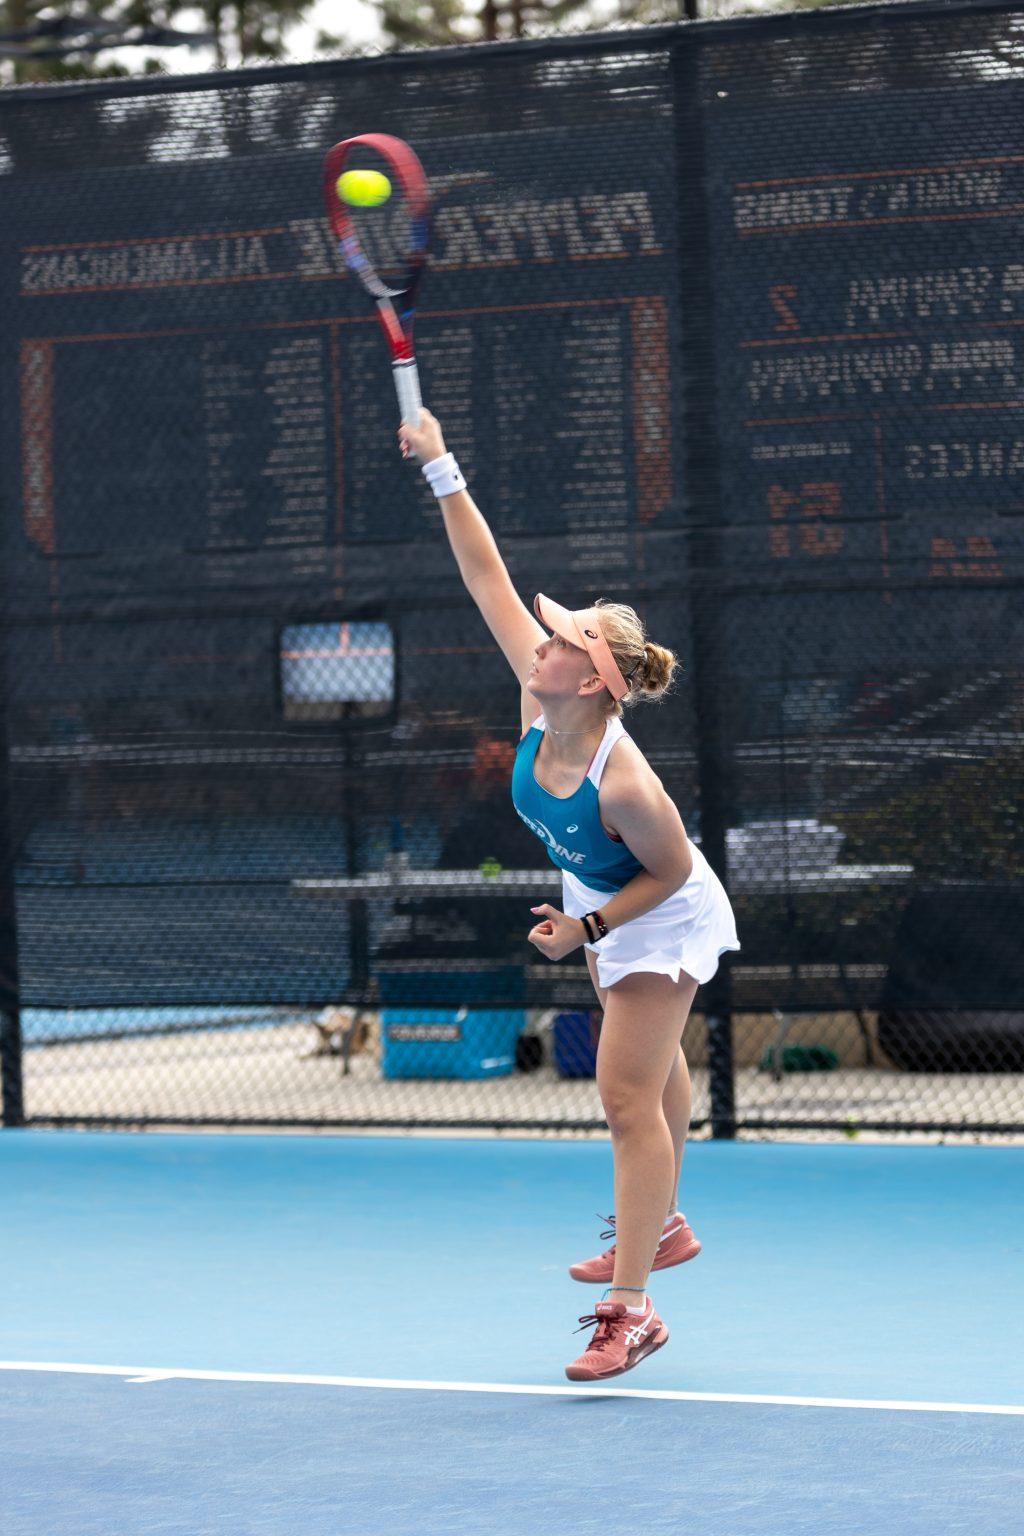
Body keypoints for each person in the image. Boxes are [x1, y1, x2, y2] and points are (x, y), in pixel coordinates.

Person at [399, 408, 741, 1383]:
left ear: (590, 683)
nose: (537, 641)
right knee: (652, 1064)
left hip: (658, 905)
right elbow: (484, 576)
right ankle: (660, 1219)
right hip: (593, 890)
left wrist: (589, 926)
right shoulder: (536, 702)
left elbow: (671, 873)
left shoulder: (626, 784)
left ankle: (630, 1311)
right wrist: (440, 465)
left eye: (557, 642)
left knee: (624, 1092)